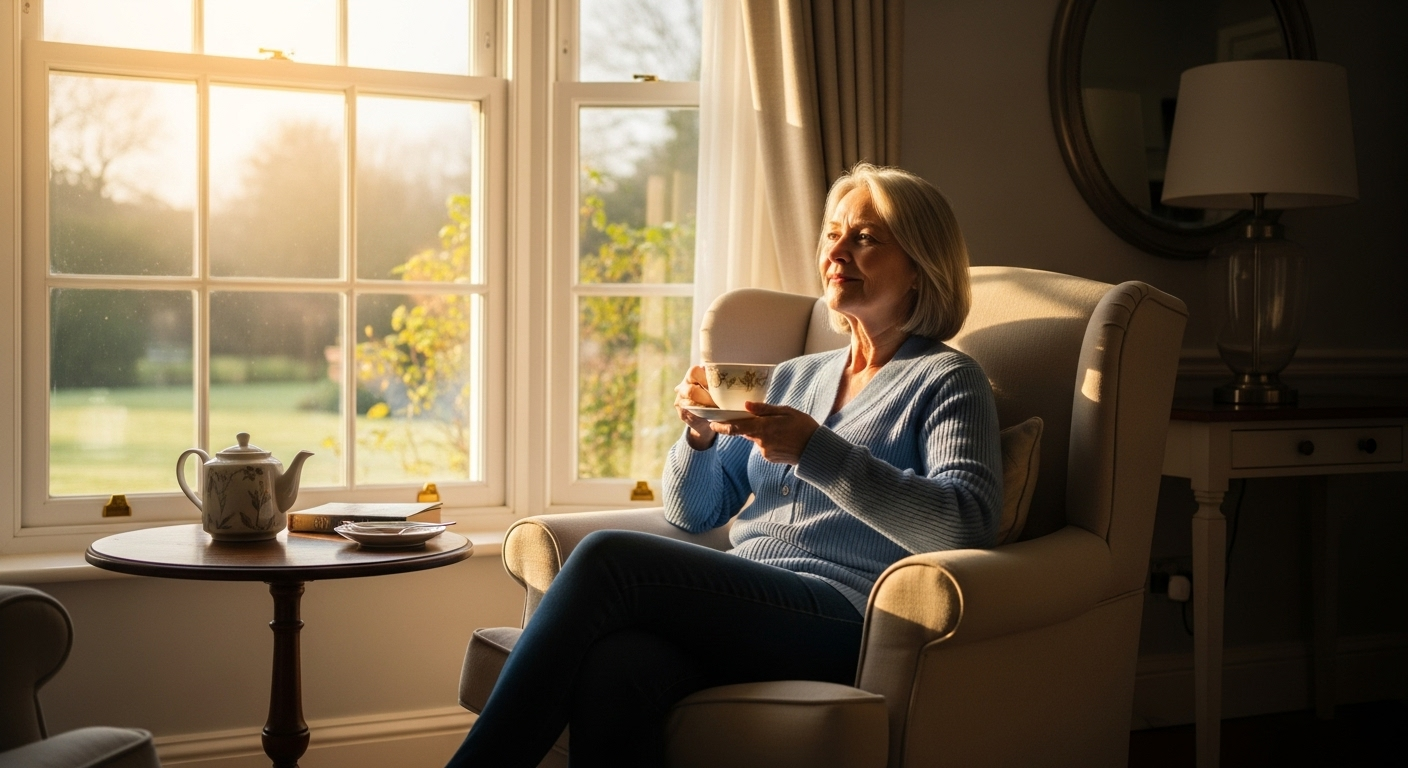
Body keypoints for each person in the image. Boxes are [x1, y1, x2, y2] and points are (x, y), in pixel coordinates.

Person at [444, 163, 1002, 768]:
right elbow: (693, 512)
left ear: (920, 266)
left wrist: (815, 451)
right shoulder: (796, 376)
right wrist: (701, 434)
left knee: (610, 556)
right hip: (754, 603)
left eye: (864, 238)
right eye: (833, 234)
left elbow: (965, 523)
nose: (837, 250)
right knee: (619, 665)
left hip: (848, 617)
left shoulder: (947, 379)